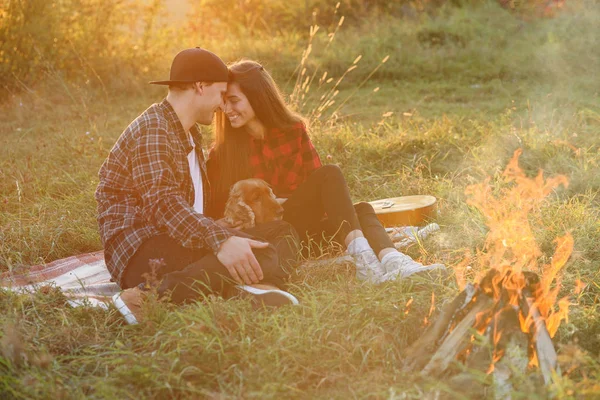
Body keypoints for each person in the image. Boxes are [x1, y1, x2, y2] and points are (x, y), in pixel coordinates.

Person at [95, 49, 301, 325]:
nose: (222, 106)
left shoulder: (189, 132)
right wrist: (221, 240)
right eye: (220, 93)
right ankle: (144, 299)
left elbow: (192, 208)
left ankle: (257, 288)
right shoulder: (154, 129)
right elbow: (163, 205)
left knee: (280, 232)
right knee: (259, 251)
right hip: (142, 251)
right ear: (201, 87)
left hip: (177, 238)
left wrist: (227, 227)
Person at [206, 60, 446, 284]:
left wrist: (286, 201)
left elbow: (318, 190)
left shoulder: (292, 131)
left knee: (360, 208)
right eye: (224, 101)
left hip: (302, 227)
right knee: (332, 178)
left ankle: (392, 260)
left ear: (257, 98)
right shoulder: (224, 152)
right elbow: (218, 212)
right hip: (271, 238)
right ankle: (367, 260)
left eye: (234, 100)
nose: (226, 108)